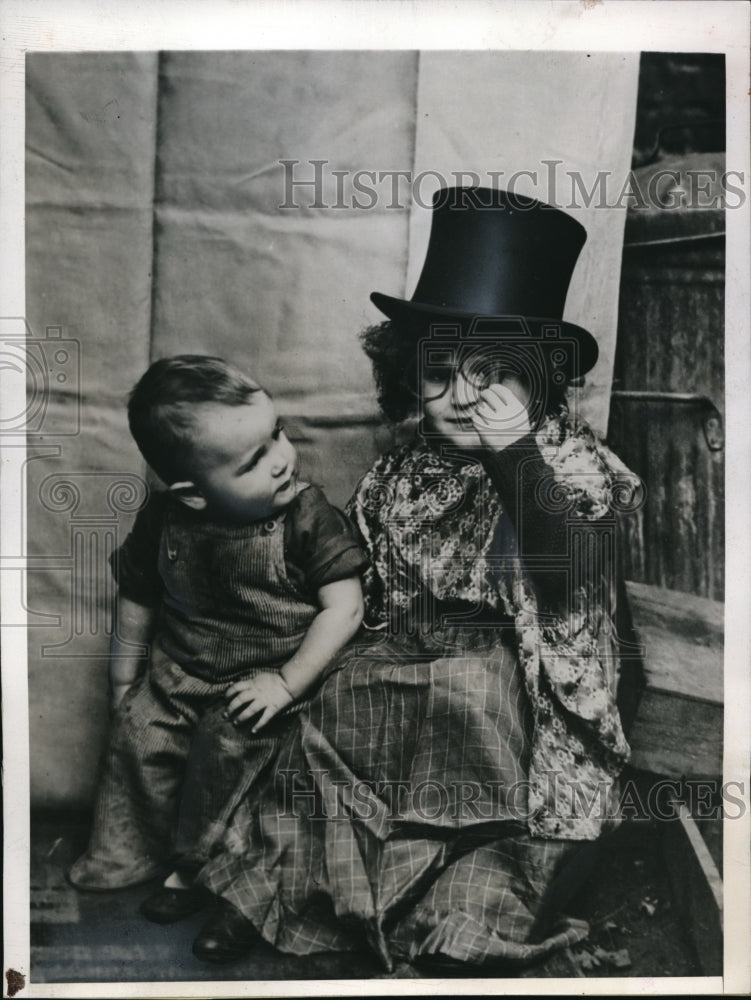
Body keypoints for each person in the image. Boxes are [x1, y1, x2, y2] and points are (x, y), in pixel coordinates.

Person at [190, 188, 641, 972]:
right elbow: (361, 577)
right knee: (334, 706)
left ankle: (449, 919)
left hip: (519, 675)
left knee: (463, 700)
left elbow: (566, 575)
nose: (465, 396)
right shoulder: (405, 467)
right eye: (440, 372)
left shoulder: (570, 461)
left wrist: (512, 456)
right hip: (400, 649)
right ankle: (282, 893)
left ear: (539, 379)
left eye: (492, 373)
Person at [67, 355, 367, 925]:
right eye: (254, 460)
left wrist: (285, 683)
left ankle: (206, 873)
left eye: (276, 433)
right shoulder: (165, 519)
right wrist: (124, 681)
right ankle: (128, 852)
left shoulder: (308, 517)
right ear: (193, 494)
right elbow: (137, 599)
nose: (282, 460)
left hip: (276, 679)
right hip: (179, 673)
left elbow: (345, 608)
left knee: (228, 751)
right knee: (136, 734)